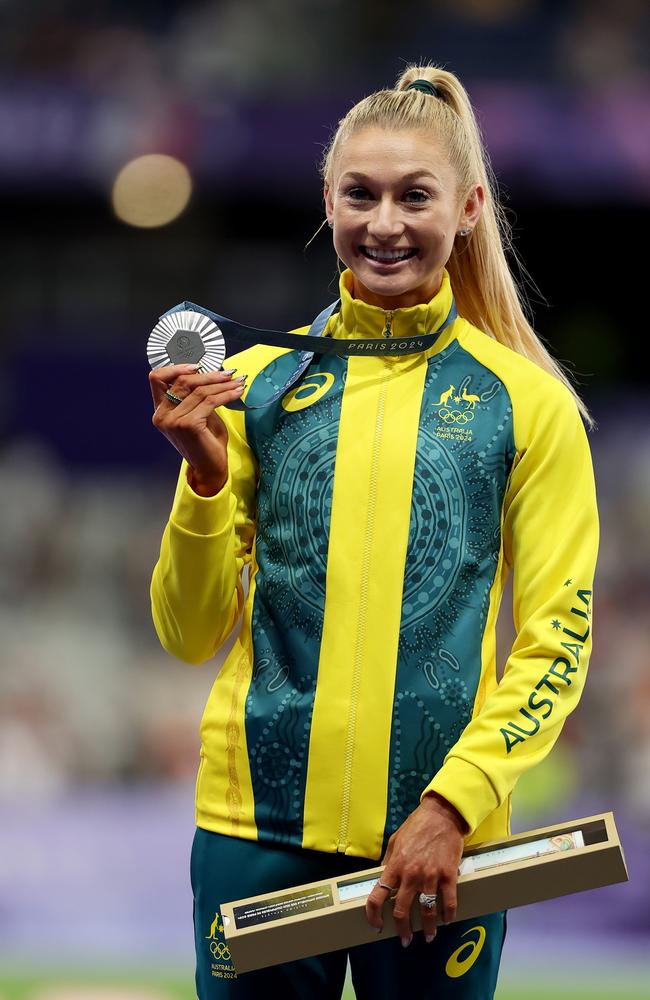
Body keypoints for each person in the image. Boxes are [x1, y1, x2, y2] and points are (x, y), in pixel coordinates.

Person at [148, 63, 599, 1000]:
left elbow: (560, 638)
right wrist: (202, 479)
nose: (384, 222)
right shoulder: (258, 386)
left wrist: (454, 806)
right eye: (361, 193)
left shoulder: (528, 406)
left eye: (414, 195)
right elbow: (188, 633)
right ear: (328, 199)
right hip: (255, 836)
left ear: (470, 206)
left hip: (439, 849)